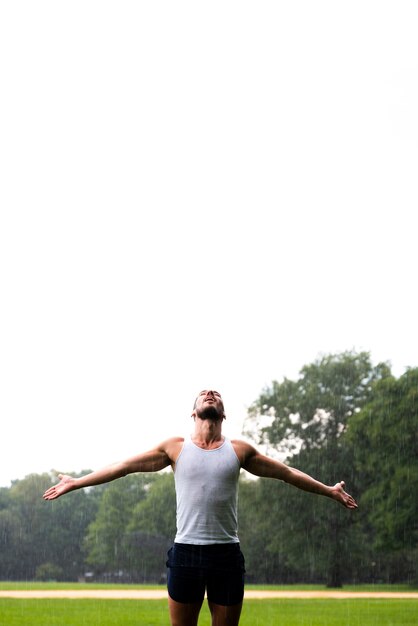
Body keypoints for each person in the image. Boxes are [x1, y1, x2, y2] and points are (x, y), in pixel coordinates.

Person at [43, 389, 358, 626]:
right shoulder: (175, 448)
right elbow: (124, 466)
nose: (210, 395)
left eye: (216, 395)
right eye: (204, 395)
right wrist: (78, 482)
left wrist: (329, 490)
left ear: (223, 414)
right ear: (193, 413)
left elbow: (287, 474)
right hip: (186, 555)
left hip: (226, 555)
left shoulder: (240, 451)